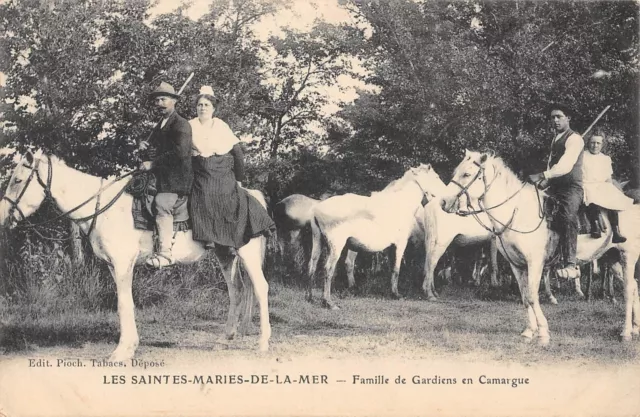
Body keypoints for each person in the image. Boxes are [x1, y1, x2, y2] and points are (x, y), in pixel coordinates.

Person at [188, 86, 274, 253]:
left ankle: (231, 238)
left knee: (228, 195)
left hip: (219, 168)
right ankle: (208, 236)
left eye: (206, 105)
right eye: (200, 105)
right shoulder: (190, 125)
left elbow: (237, 154)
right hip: (198, 168)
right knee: (202, 191)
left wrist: (239, 179)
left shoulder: (220, 126)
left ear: (213, 108)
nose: (203, 108)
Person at [139, 82, 193, 268]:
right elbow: (153, 153)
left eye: (164, 99)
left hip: (176, 181)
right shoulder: (160, 126)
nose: (160, 103)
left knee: (161, 203)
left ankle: (165, 254)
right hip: (159, 178)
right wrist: (143, 149)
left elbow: (181, 153)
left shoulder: (181, 124)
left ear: (174, 101)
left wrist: (152, 163)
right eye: (157, 100)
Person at [529, 104, 584, 280]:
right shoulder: (556, 138)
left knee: (567, 216)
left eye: (559, 116)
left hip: (571, 187)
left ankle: (570, 263)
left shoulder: (575, 139)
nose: (555, 120)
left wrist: (542, 175)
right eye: (552, 117)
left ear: (568, 118)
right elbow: (551, 165)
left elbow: (566, 166)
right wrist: (544, 181)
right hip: (554, 186)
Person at [582, 131, 633, 243]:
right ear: (588, 143)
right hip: (587, 184)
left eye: (598, 143)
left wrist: (611, 189)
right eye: (592, 142)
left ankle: (616, 231)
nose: (595, 146)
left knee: (612, 200)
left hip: (602, 184)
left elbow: (608, 177)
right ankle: (595, 226)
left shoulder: (605, 159)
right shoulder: (582, 156)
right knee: (591, 199)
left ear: (602, 144)